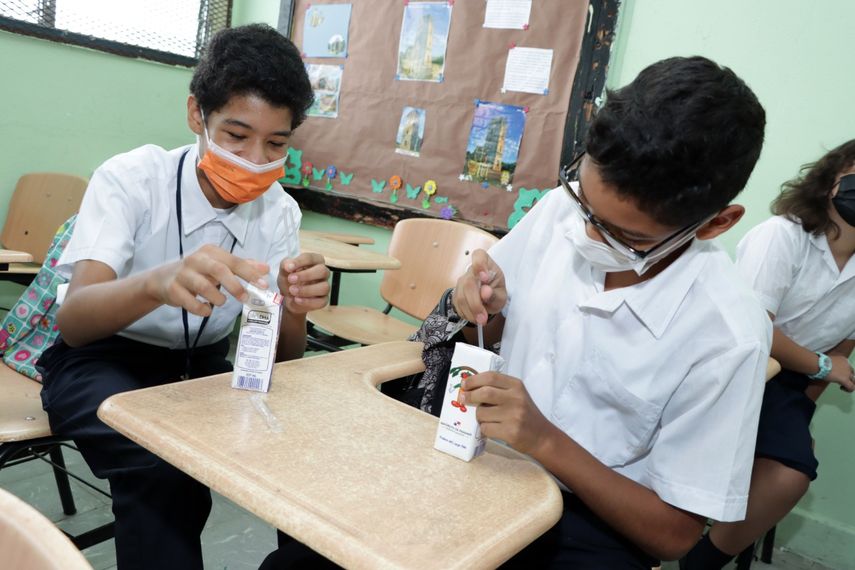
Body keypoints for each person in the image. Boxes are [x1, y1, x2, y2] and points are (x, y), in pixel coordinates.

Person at [448, 56, 771, 568]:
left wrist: (547, 442)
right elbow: (491, 325)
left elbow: (674, 537)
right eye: (586, 208)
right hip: (483, 466)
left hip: (589, 526)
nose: (589, 236)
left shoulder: (729, 335)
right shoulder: (561, 210)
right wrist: (485, 303)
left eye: (630, 238)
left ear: (716, 224)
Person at [38, 24, 329, 570]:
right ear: (197, 115)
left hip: (205, 368)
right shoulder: (130, 180)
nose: (254, 160)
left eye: (277, 143)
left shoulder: (280, 212)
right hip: (102, 359)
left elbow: (284, 360)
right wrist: (154, 283)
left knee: (305, 451)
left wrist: (296, 307)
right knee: (162, 469)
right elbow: (75, 323)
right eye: (236, 135)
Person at [681, 140, 855, 569]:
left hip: (790, 382)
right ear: (831, 181)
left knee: (792, 470)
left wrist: (801, 410)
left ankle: (698, 562)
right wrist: (821, 366)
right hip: (729, 364)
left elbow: (843, 349)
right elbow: (755, 328)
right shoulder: (783, 235)